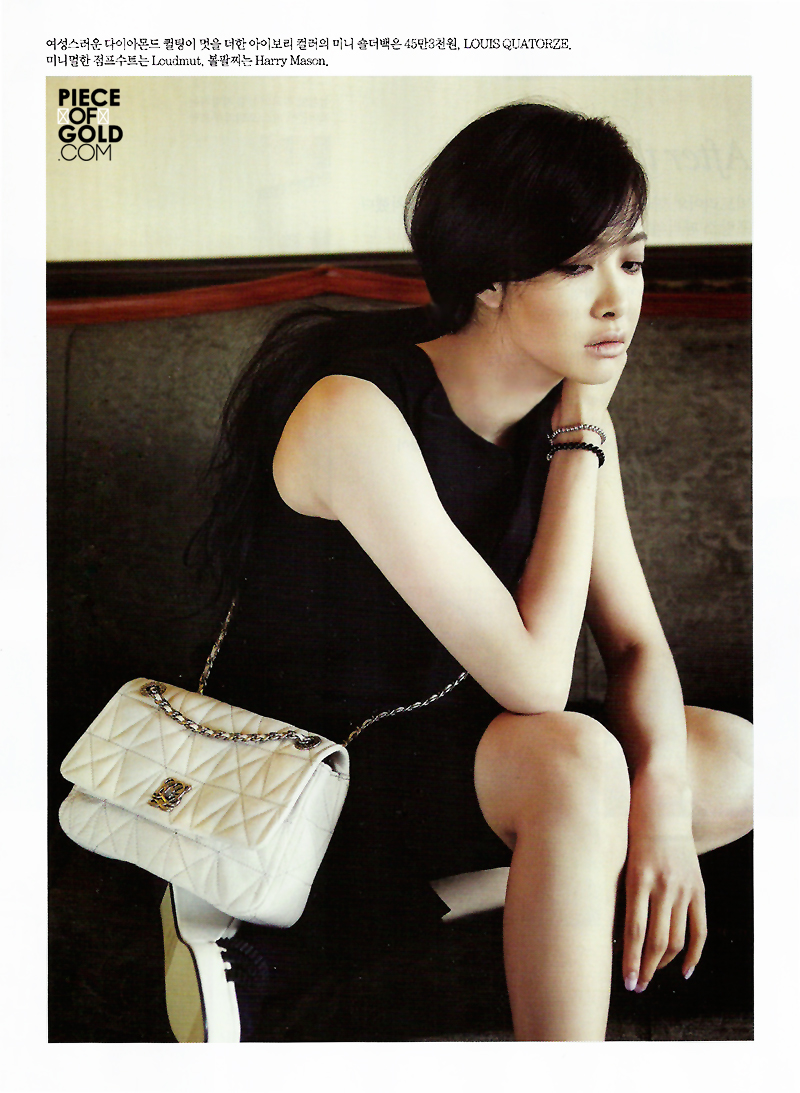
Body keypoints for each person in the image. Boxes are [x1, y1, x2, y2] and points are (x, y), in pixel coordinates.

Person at [186, 102, 753, 1042]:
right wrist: (581, 428)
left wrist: (659, 814)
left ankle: (456, 899)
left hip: (466, 760)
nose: (617, 300)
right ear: (489, 277)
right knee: (577, 761)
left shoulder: (570, 425)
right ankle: (290, 927)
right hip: (314, 777)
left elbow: (636, 647)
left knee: (734, 760)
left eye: (632, 261)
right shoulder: (355, 413)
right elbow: (535, 681)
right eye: (577, 267)